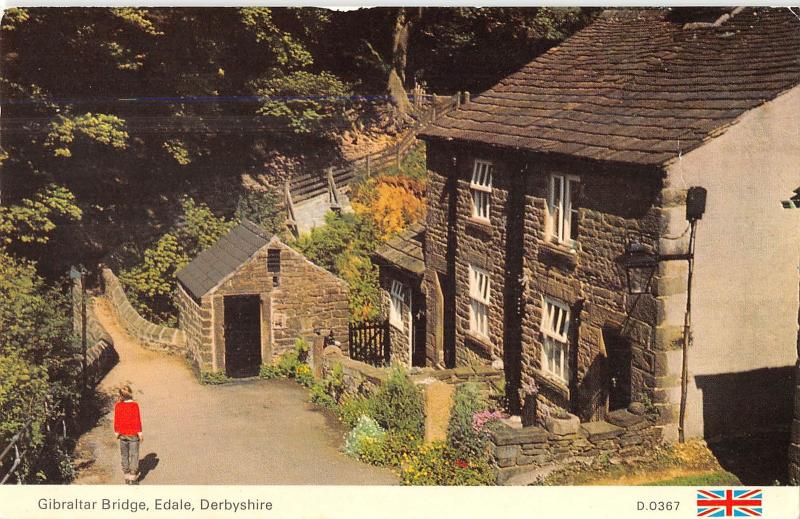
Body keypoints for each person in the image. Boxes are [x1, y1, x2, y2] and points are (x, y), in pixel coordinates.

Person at [113, 385, 142, 485]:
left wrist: (116, 432)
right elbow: (137, 420)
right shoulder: (135, 405)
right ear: (131, 393)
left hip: (122, 435)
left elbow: (117, 420)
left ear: (121, 395)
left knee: (124, 455)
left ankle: (126, 475)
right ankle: (133, 477)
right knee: (134, 455)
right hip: (133, 434)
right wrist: (140, 433)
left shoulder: (118, 406)